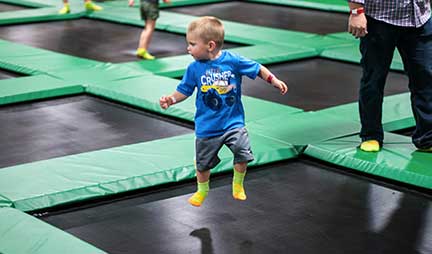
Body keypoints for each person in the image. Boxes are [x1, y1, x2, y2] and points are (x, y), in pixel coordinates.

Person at [159, 16, 288, 207]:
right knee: (202, 165)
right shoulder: (194, 68)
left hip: (233, 122)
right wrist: (171, 99)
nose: (188, 48)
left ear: (210, 45)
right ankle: (202, 190)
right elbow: (184, 90)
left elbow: (258, 68)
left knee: (243, 153)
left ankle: (237, 184)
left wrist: (274, 80)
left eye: (192, 44)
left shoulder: (233, 61)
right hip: (207, 126)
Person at [347, 0, 432, 152]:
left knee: (426, 79)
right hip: (380, 19)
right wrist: (356, 12)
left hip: (419, 17)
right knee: (373, 79)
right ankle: (371, 135)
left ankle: (427, 138)